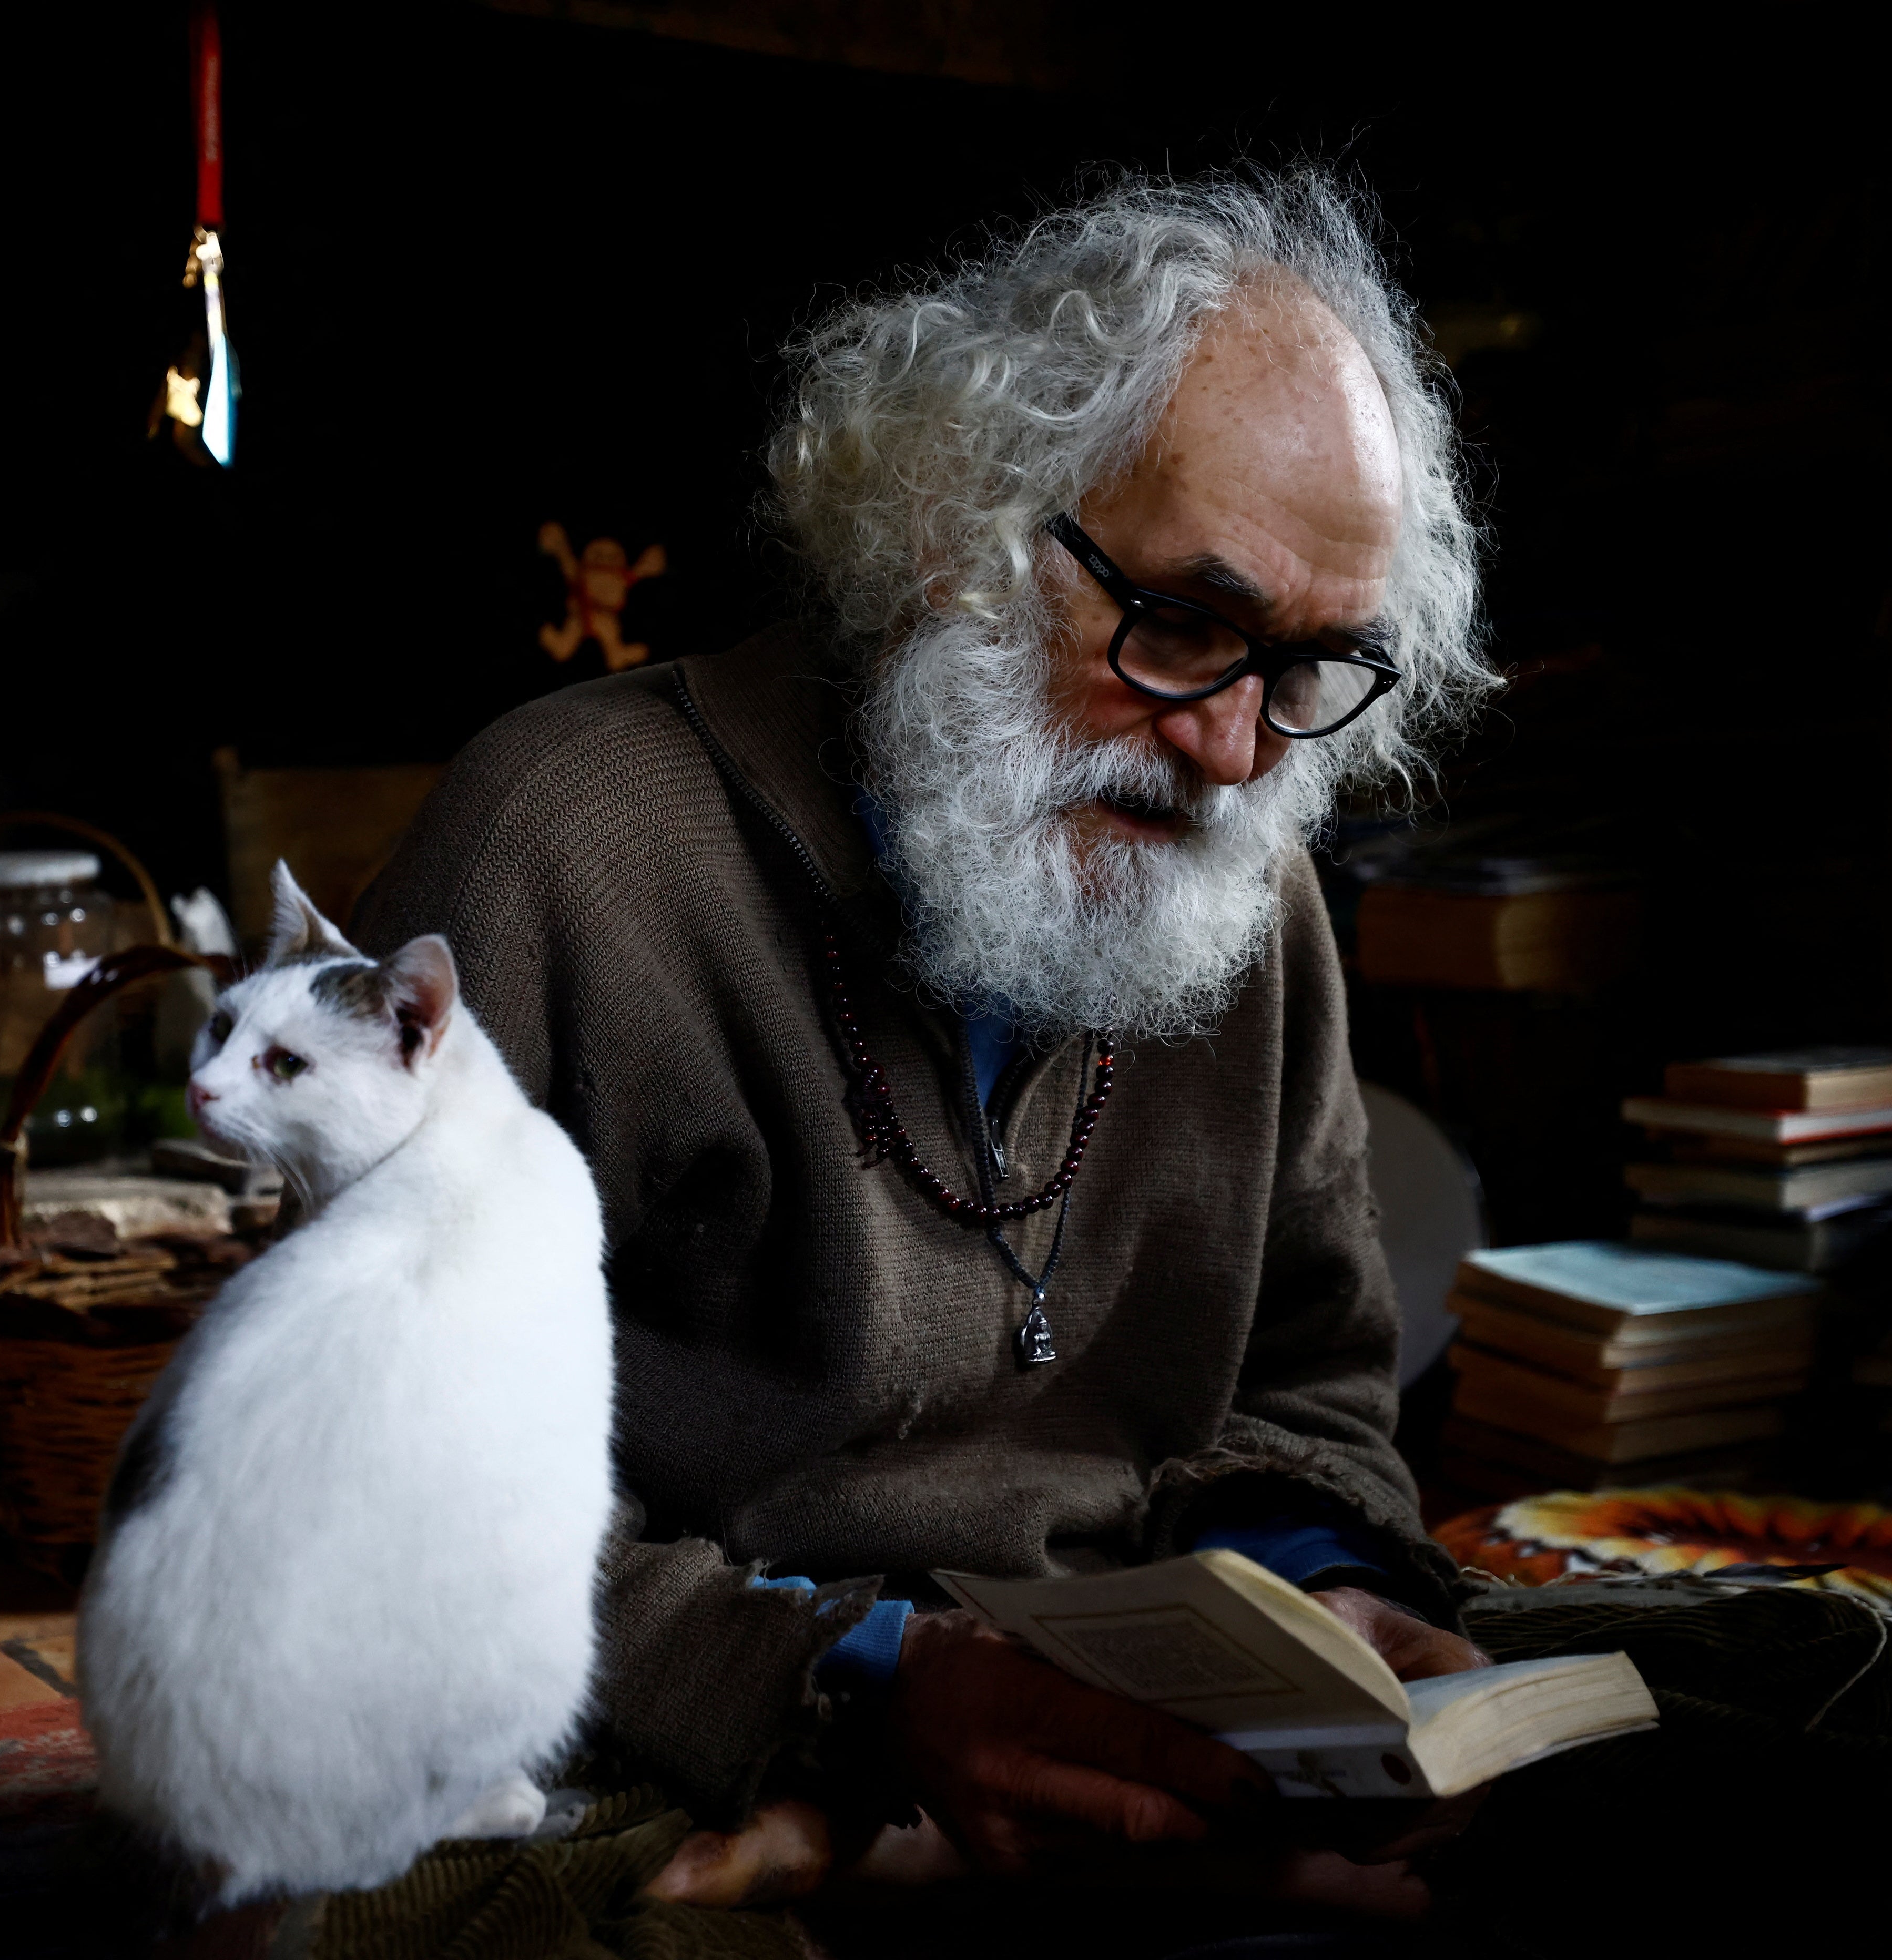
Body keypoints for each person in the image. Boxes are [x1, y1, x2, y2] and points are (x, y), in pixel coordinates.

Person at [360, 171, 1497, 1896]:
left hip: (1143, 1735)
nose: (1242, 755)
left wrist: (1316, 1588)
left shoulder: (1247, 891)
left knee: (1794, 1754)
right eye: (1183, 624)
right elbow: (366, 1493)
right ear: (947, 531)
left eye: (1317, 666)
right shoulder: (563, 841)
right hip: (691, 1728)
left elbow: (1315, 1378)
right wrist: (867, 1693)